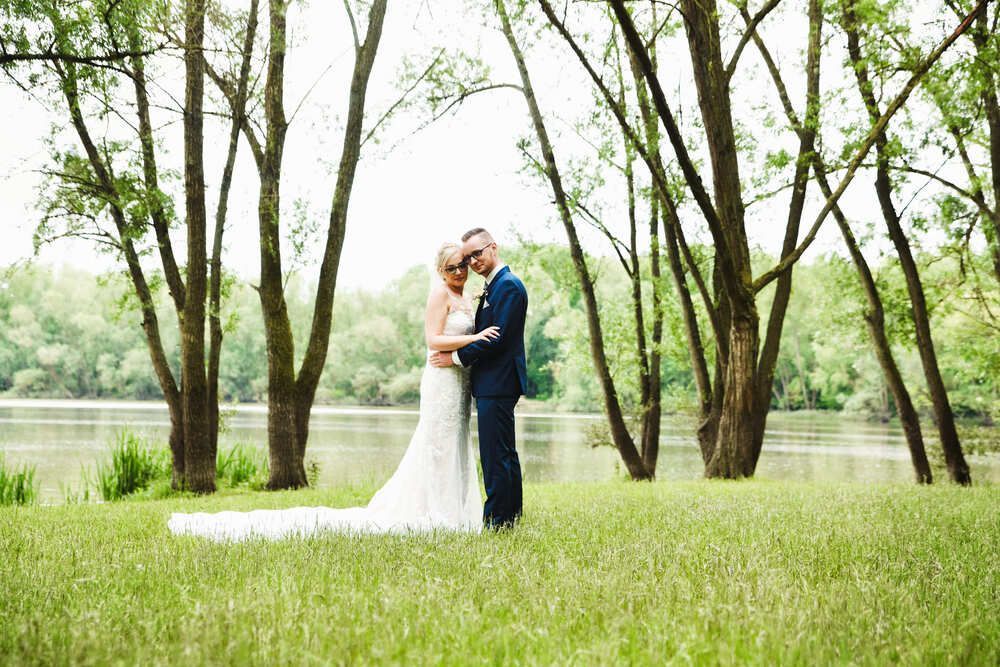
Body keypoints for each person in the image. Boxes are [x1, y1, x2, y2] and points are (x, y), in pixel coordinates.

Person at [168, 243, 498, 540]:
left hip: (459, 382)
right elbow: (433, 341)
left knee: (455, 444)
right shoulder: (440, 294)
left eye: (461, 265)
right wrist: (475, 339)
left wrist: (472, 344)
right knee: (437, 446)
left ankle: (458, 512)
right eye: (450, 268)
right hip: (441, 381)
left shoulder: (467, 296)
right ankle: (440, 515)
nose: (458, 272)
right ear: (440, 272)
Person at [430, 228, 528, 530]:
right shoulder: (493, 286)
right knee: (502, 452)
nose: (471, 262)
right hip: (492, 383)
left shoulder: (508, 286)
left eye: (476, 254)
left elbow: (496, 339)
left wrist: (456, 359)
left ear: (493, 248)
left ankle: (498, 521)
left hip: (498, 382)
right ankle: (509, 516)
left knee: (495, 455)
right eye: (467, 257)